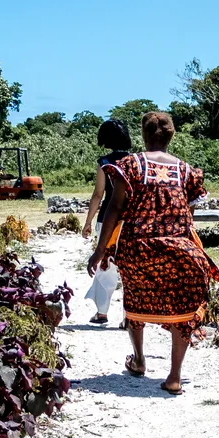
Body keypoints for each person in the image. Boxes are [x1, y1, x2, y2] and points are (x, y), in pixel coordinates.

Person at [87, 111, 218, 394]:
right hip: (179, 250)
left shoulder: (130, 165)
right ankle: (174, 377)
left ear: (143, 136)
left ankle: (139, 360)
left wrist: (101, 249)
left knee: (135, 297)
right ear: (171, 136)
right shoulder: (187, 171)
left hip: (138, 247)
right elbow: (187, 216)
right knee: (184, 307)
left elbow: (115, 208)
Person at [81, 119, 134, 324]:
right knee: (129, 268)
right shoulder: (135, 161)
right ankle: (129, 317)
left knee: (106, 264)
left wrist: (88, 222)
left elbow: (98, 194)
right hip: (130, 220)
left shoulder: (104, 163)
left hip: (107, 219)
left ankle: (102, 312)